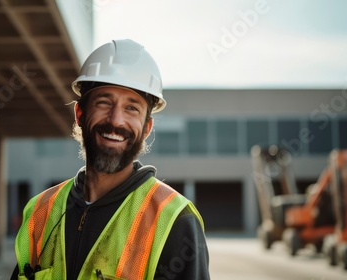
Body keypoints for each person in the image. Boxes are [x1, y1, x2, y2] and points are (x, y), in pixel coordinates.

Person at [11, 39, 210, 280]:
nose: (116, 120)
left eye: (132, 108)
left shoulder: (174, 220)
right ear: (80, 114)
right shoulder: (40, 211)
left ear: (146, 127)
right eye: (104, 102)